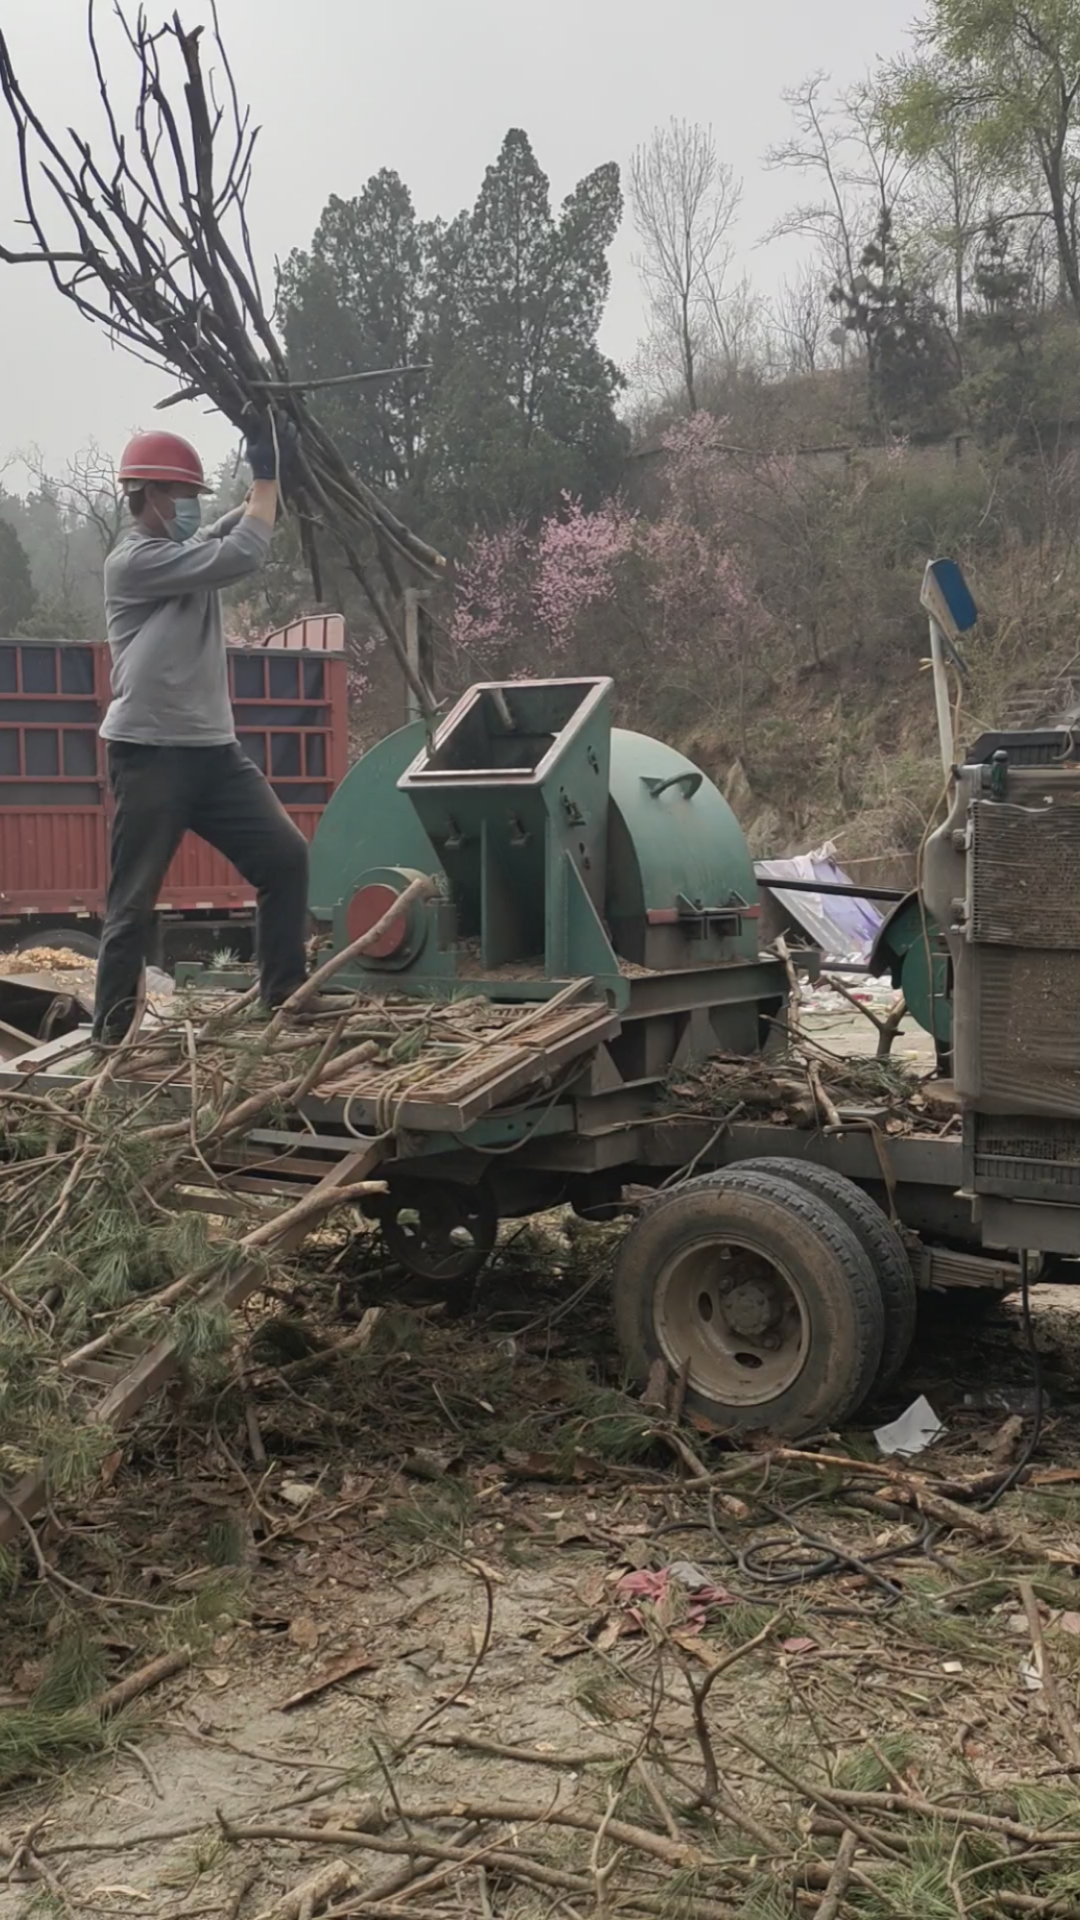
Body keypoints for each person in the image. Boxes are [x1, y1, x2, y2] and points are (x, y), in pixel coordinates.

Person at [92, 419, 320, 1044]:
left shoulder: (182, 555)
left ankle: (280, 997)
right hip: (150, 755)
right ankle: (109, 1037)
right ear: (148, 495)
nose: (190, 507)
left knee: (285, 859)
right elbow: (243, 549)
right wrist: (268, 479)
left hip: (215, 755)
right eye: (180, 496)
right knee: (133, 902)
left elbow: (225, 534)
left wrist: (264, 489)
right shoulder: (132, 562)